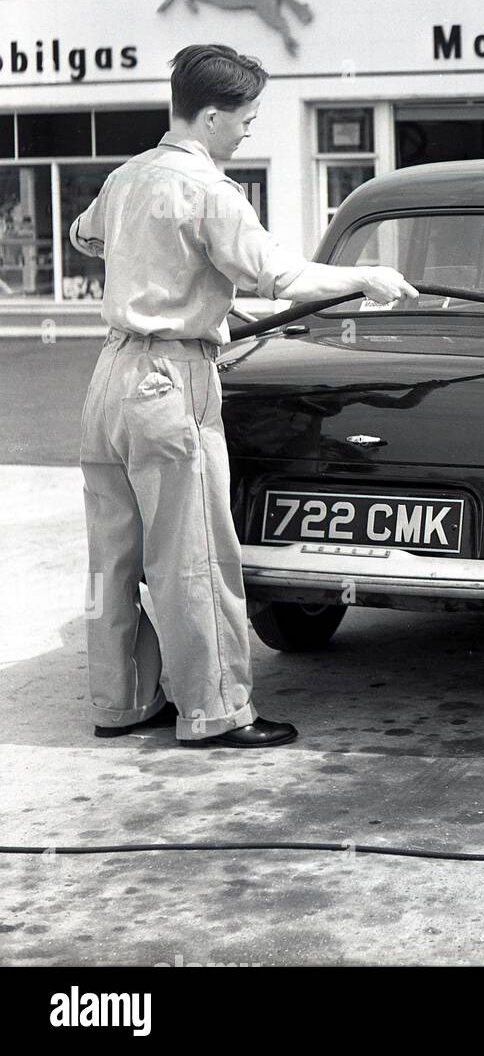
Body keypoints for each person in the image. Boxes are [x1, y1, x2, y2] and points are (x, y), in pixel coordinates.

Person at [69, 44, 417, 748]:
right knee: (192, 554)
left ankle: (124, 703)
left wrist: (179, 284)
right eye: (246, 120)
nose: (249, 131)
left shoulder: (127, 176)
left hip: (108, 380)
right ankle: (216, 713)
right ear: (210, 116)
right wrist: (366, 278)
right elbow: (277, 274)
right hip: (171, 382)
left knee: (115, 557)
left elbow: (84, 237)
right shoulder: (208, 189)